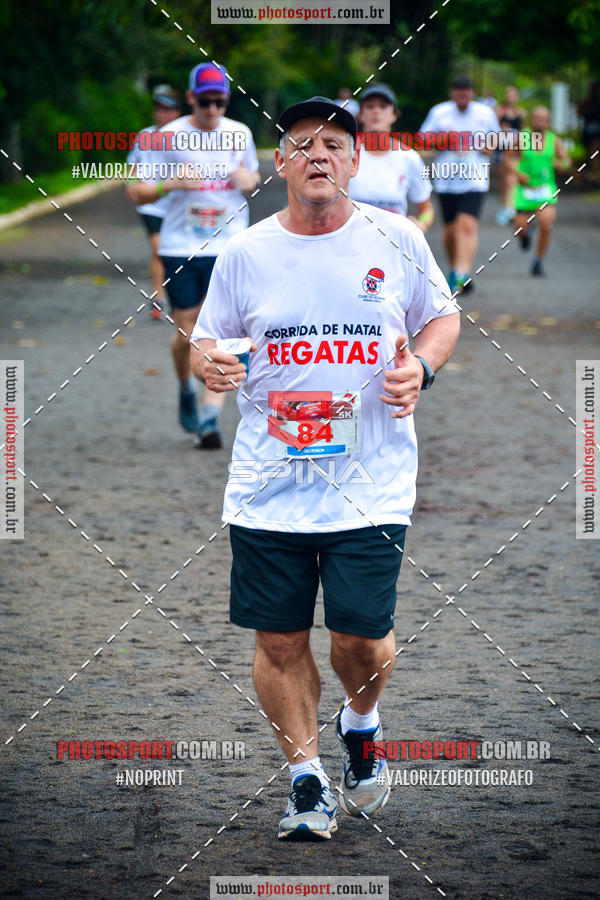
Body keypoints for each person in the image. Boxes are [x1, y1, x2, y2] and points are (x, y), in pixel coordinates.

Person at [189, 96, 460, 840]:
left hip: (371, 482)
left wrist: (422, 369)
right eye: (303, 144)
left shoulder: (397, 238)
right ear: (280, 162)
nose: (318, 155)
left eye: (334, 144)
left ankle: (361, 720)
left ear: (355, 160)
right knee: (278, 642)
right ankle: (306, 780)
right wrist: (211, 365)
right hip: (269, 483)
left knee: (360, 640)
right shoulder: (245, 252)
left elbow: (442, 318)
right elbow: (209, 340)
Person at [126, 64, 260, 447]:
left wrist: (248, 180)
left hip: (229, 245)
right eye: (205, 101)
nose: (213, 109)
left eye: (220, 102)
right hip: (181, 246)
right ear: (191, 98)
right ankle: (186, 387)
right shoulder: (167, 136)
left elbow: (252, 177)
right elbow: (136, 191)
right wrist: (170, 184)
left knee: (221, 330)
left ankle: (209, 417)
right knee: (187, 331)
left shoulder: (240, 133)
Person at [420, 75, 500, 293]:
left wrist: (488, 148)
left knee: (467, 225)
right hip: (446, 179)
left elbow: (496, 140)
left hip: (475, 179)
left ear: (473, 94)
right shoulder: (439, 112)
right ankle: (455, 268)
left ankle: (462, 272)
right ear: (452, 94)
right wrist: (443, 140)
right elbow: (423, 139)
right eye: (458, 94)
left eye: (466, 93)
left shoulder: (485, 113)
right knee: (450, 230)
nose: (462, 98)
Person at [127, 85, 182, 319]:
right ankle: (158, 298)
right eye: (159, 109)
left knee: (174, 251)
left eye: (168, 110)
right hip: (150, 203)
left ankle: (179, 298)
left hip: (176, 204)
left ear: (177, 112)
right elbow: (133, 165)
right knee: (158, 248)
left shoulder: (185, 137)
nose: (163, 114)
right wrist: (131, 184)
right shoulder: (145, 136)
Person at [349, 83, 434, 233]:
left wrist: (422, 224)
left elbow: (426, 209)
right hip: (352, 241)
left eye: (383, 106)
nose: (376, 111)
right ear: (361, 115)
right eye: (370, 106)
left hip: (393, 242)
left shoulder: (409, 157)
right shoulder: (345, 154)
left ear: (394, 115)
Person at [507, 106, 571, 277]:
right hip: (525, 189)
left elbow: (566, 160)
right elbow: (508, 159)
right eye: (537, 118)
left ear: (548, 122)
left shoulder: (553, 140)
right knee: (520, 228)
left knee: (546, 223)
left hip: (545, 188)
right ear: (532, 120)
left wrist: (561, 165)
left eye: (544, 119)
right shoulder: (523, 137)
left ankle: (538, 261)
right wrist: (518, 174)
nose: (540, 122)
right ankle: (525, 236)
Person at [494, 86, 527, 225]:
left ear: (517, 97)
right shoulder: (499, 111)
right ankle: (504, 205)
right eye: (509, 95)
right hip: (501, 149)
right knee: (503, 179)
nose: (510, 98)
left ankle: (510, 207)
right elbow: (493, 128)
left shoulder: (521, 112)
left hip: (515, 150)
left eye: (513, 95)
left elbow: (524, 130)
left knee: (511, 177)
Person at [578, 80, 600, 187]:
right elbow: (580, 112)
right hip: (589, 134)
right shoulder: (588, 103)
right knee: (591, 154)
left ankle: (593, 175)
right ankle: (592, 175)